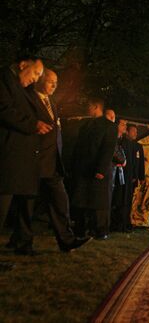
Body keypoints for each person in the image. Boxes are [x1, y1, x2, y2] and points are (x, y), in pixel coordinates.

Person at [11, 69, 92, 254]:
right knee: (27, 204)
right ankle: (22, 243)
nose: (55, 86)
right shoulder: (29, 99)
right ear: (40, 81)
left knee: (60, 201)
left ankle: (66, 240)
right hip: (34, 161)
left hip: (52, 163)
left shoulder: (52, 103)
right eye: (51, 82)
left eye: (56, 82)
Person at [0, 56, 47, 269]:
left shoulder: (20, 87)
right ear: (22, 65)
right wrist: (32, 124)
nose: (36, 79)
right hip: (6, 155)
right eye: (35, 73)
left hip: (17, 159)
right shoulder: (4, 80)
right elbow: (4, 110)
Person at [71, 97, 117, 239]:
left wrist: (101, 169)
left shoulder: (109, 126)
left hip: (98, 169)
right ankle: (80, 229)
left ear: (96, 107)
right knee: (81, 200)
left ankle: (100, 230)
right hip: (84, 168)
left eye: (89, 106)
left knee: (99, 202)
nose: (87, 108)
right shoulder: (86, 125)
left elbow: (108, 149)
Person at [124, 124, 145, 229]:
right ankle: (123, 221)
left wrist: (141, 177)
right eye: (133, 131)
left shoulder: (138, 146)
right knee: (123, 200)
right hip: (124, 177)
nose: (136, 133)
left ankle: (128, 220)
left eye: (136, 131)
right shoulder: (123, 143)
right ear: (127, 132)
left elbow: (141, 163)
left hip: (134, 178)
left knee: (130, 200)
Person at [110, 118, 128, 231]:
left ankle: (116, 224)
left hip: (119, 174)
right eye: (123, 124)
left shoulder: (122, 140)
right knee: (111, 199)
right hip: (112, 172)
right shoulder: (112, 138)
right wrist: (122, 160)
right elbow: (115, 153)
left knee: (117, 200)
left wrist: (123, 160)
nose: (125, 127)